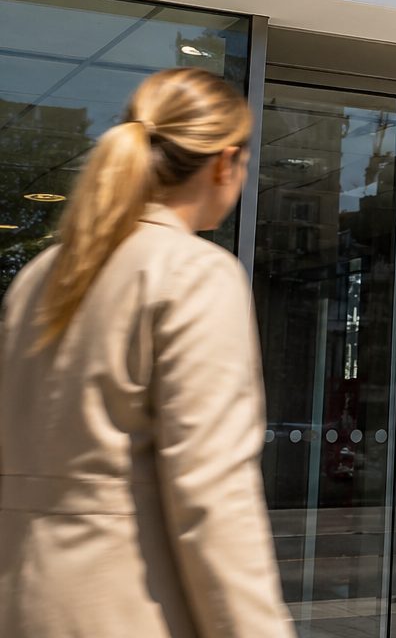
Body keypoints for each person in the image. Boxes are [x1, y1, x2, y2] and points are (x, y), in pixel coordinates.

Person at [0, 67, 293, 637]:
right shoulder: (196, 273)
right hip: (130, 611)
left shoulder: (38, 275)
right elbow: (213, 494)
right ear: (224, 162)